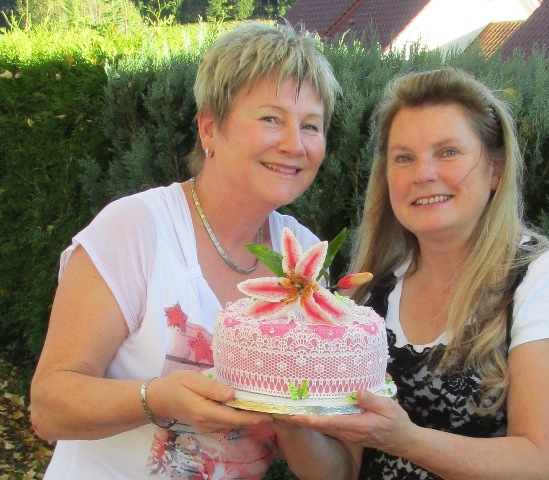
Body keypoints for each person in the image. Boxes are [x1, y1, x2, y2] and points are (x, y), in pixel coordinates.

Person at [30, 21, 341, 479]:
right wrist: (157, 399)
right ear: (210, 129)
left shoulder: (305, 259)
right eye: (271, 119)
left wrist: (290, 412)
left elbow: (331, 471)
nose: (295, 144)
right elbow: (48, 408)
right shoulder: (138, 228)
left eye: (311, 125)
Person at [275, 68, 549, 479]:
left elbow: (538, 465)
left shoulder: (545, 280)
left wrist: (405, 439)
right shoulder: (373, 292)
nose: (423, 174)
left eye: (448, 152)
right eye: (404, 158)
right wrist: (285, 415)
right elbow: (341, 472)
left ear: (496, 169)